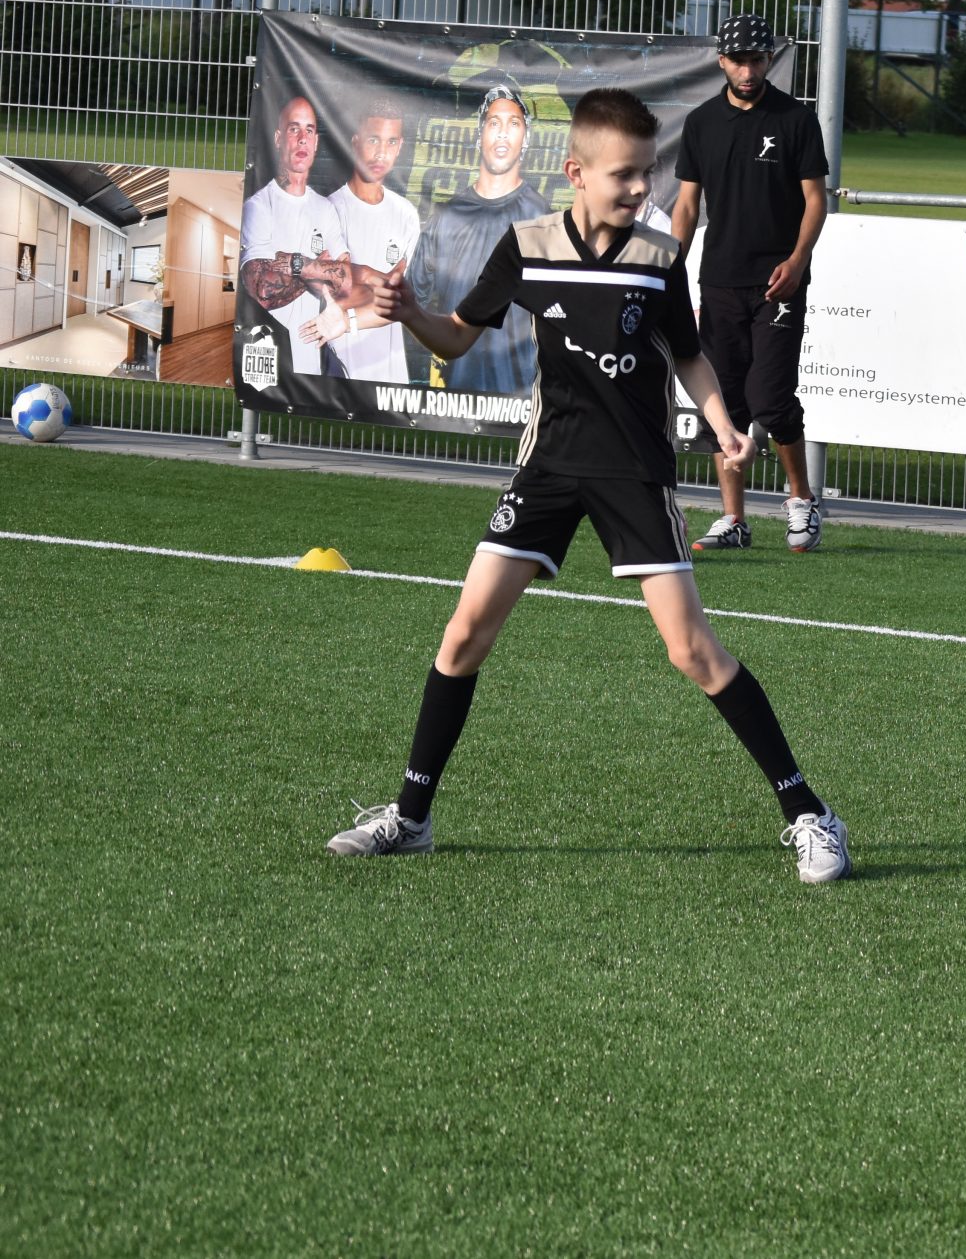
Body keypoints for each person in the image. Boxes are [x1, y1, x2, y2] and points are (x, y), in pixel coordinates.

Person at [326, 87, 849, 884]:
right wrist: (408, 313)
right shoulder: (527, 245)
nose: (640, 189)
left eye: (647, 173)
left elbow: (690, 355)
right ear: (576, 172)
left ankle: (811, 813)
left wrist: (721, 422)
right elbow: (457, 337)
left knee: (692, 651)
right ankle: (412, 815)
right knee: (464, 635)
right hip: (549, 467)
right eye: (624, 175)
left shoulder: (660, 259)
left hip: (635, 472)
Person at [672, 14, 829, 554]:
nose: (747, 70)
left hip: (778, 282)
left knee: (772, 396)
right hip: (719, 280)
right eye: (738, 60)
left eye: (756, 60)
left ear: (768, 61)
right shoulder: (701, 122)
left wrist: (798, 260)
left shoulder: (795, 119)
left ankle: (802, 500)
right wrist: (672, 268)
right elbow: (687, 206)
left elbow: (815, 199)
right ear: (721, 60)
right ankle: (733, 519)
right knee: (725, 400)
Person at [409, 81, 547, 396]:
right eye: (494, 123)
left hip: (521, 399)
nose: (503, 133)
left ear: (526, 138)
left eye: (514, 124)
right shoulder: (446, 217)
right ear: (479, 135)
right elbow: (413, 302)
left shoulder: (542, 219)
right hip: (452, 397)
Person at [240, 96, 368, 375]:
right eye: (293, 129)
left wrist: (298, 265)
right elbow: (263, 291)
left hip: (312, 359)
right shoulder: (258, 207)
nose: (302, 139)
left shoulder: (325, 209)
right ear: (278, 138)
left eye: (309, 130)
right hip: (269, 360)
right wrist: (320, 268)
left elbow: (347, 279)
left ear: (316, 142)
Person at [309, 101, 423, 383]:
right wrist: (377, 282)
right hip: (339, 366)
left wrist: (358, 278)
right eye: (373, 140)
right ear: (355, 142)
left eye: (391, 142)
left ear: (400, 146)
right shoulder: (327, 210)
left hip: (389, 372)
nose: (381, 152)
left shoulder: (406, 214)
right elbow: (335, 292)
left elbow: (397, 297)